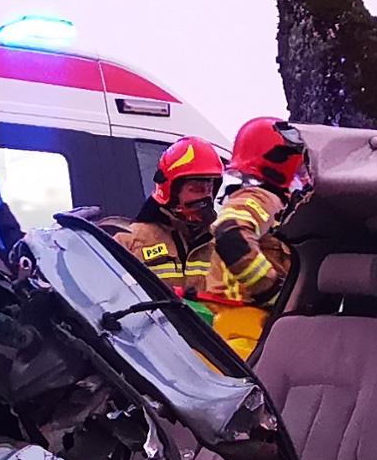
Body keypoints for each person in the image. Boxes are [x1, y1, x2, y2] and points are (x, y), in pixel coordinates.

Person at [184, 117, 305, 359]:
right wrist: (272, 290)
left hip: (244, 331)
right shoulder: (261, 198)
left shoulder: (274, 202)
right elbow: (230, 234)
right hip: (243, 333)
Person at [111, 136, 226, 316]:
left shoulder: (219, 245)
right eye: (196, 189)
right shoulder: (130, 241)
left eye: (209, 188)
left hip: (207, 341)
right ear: (170, 191)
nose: (206, 198)